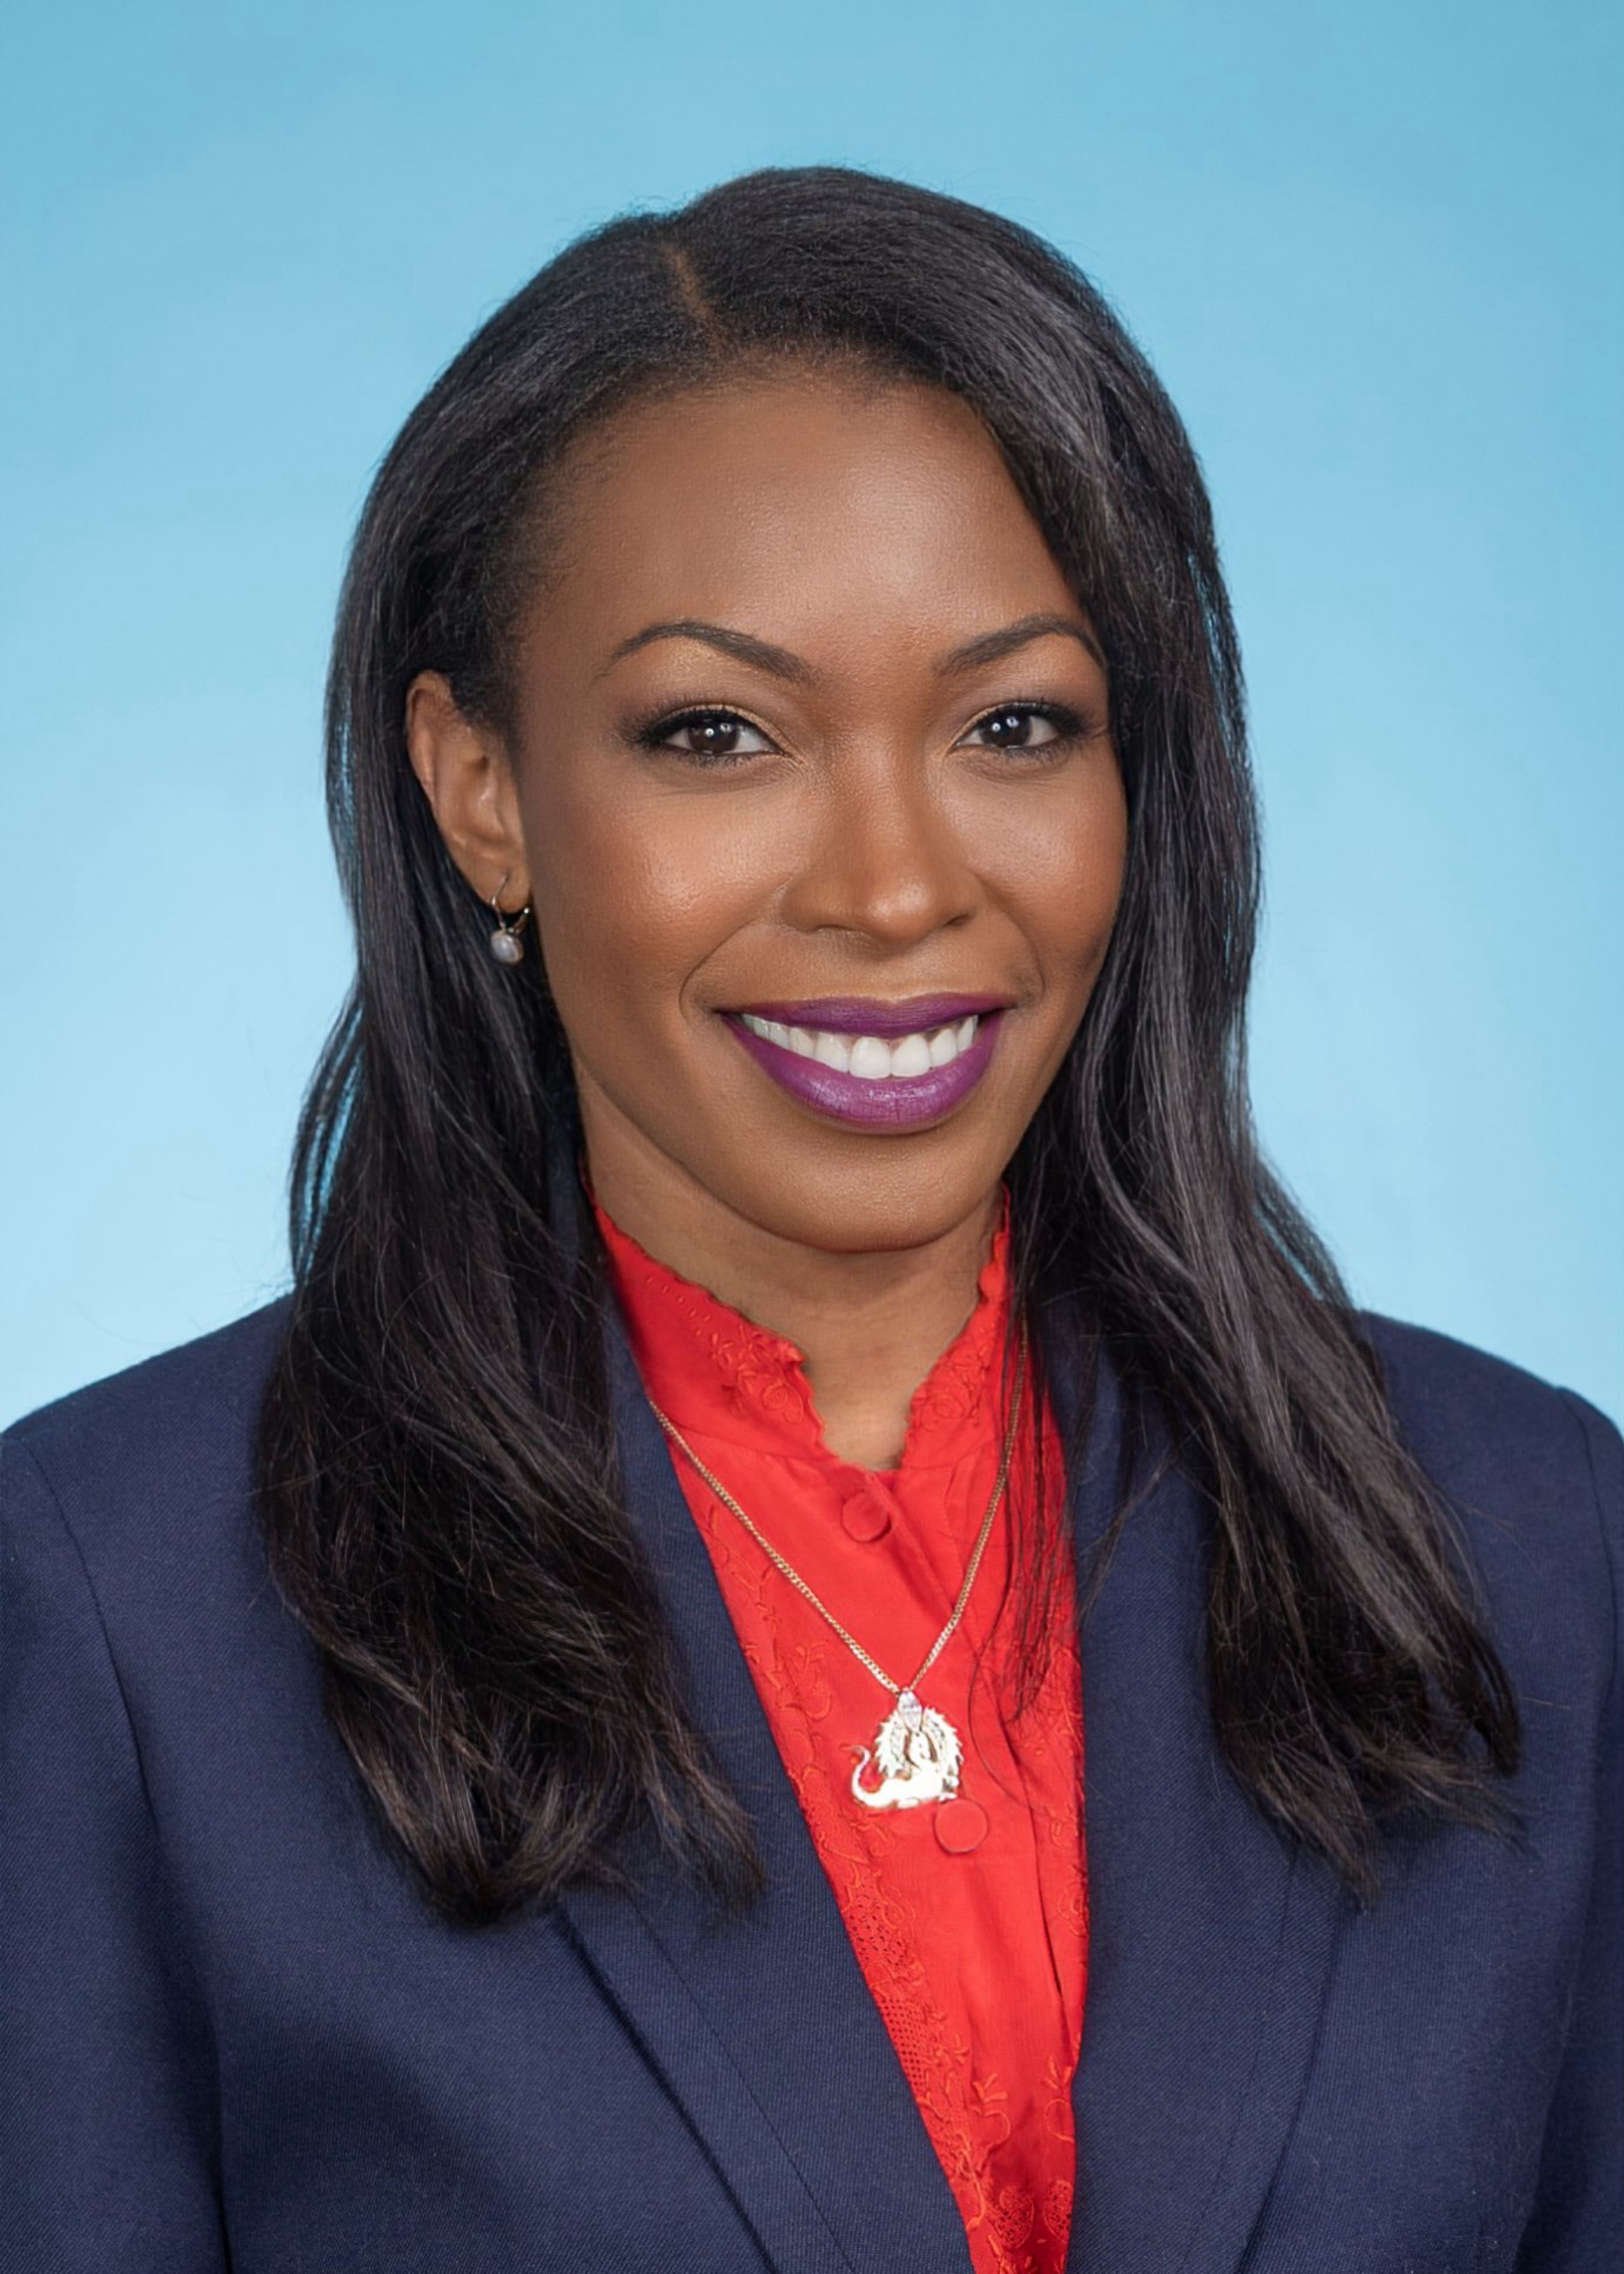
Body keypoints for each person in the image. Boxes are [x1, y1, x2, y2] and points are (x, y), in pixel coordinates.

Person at [1, 166, 1617, 2274]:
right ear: (479, 787)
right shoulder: (117, 1605)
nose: (889, 884)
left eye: (1012, 723)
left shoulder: (1520, 1532)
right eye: (718, 734)